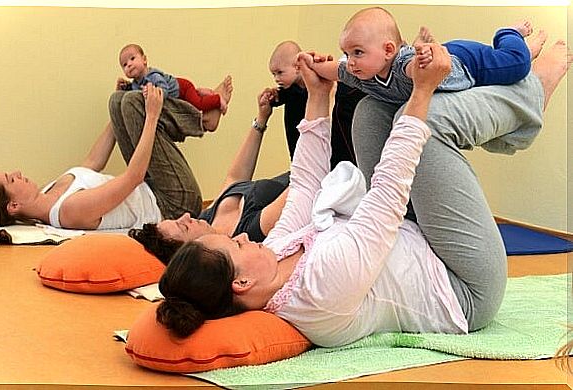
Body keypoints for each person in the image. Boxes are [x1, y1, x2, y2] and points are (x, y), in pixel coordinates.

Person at [154, 38, 571, 347]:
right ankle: (533, 92)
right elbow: (386, 197)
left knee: (371, 112)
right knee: (433, 119)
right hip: (463, 284)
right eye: (235, 246)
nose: (242, 236)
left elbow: (305, 183)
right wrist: (422, 91)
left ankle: (514, 116)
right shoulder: (320, 292)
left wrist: (319, 96)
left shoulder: (275, 255)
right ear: (241, 282)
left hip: (414, 238)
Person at [0, 83, 204, 230]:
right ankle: (204, 118)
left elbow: (92, 164)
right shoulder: (69, 210)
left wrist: (117, 116)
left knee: (119, 101)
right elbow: (134, 177)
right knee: (134, 103)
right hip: (173, 203)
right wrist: (151, 115)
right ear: (13, 205)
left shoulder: (50, 191)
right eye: (11, 180)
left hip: (154, 187)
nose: (17, 173)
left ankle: (188, 114)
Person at [129, 87, 290, 264]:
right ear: (193, 250)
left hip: (309, 165)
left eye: (177, 219)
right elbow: (302, 186)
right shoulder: (247, 234)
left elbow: (235, 178)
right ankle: (202, 118)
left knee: (121, 103)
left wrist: (261, 119)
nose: (186, 216)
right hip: (317, 175)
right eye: (184, 226)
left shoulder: (206, 220)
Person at [302, 7, 547, 106]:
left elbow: (412, 70)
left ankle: (511, 35)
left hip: (469, 62)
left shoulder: (402, 65)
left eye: (357, 52)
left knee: (518, 64)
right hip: (433, 53)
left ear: (389, 50)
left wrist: (422, 58)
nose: (350, 61)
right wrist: (311, 64)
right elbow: (335, 70)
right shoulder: (360, 73)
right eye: (347, 53)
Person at [268, 40, 367, 168]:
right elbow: (290, 93)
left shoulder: (331, 87)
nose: (276, 78)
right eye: (273, 74)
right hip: (302, 157)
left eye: (280, 72)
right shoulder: (290, 94)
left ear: (297, 67)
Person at [117, 43, 233, 131]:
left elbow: (164, 90)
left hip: (183, 88)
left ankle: (218, 100)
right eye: (125, 65)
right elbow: (133, 92)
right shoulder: (136, 83)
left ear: (145, 60)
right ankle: (201, 92)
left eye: (132, 58)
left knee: (198, 104)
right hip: (178, 95)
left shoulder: (153, 76)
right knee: (188, 104)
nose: (130, 64)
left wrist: (154, 92)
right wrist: (124, 87)